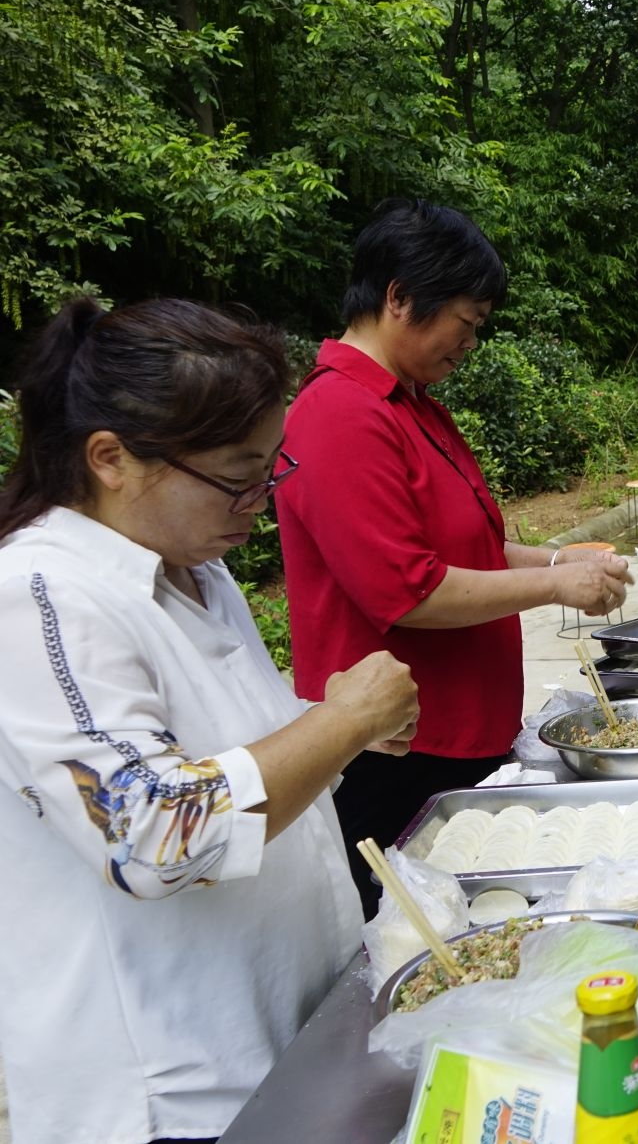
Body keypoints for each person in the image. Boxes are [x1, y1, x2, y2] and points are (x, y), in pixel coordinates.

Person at [0, 299, 421, 1144]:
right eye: (236, 476)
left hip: (275, 1041)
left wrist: (328, 726)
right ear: (111, 459)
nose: (258, 502)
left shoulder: (194, 568)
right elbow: (151, 832)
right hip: (172, 1091)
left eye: (270, 469)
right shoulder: (41, 596)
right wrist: (339, 725)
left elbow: (219, 749)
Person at [276, 200, 629, 913]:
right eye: (466, 323)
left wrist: (557, 562)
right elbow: (409, 590)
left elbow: (468, 548)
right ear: (400, 297)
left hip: (459, 733)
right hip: (400, 749)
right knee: (408, 931)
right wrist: (556, 588)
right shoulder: (340, 411)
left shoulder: (412, 403)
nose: (470, 343)